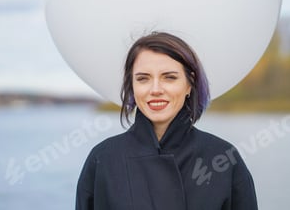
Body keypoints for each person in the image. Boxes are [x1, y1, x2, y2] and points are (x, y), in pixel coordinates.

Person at [76, 32, 257, 210]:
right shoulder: (103, 160)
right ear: (132, 86)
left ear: (189, 84)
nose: (155, 89)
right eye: (143, 79)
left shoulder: (223, 158)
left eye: (169, 77)